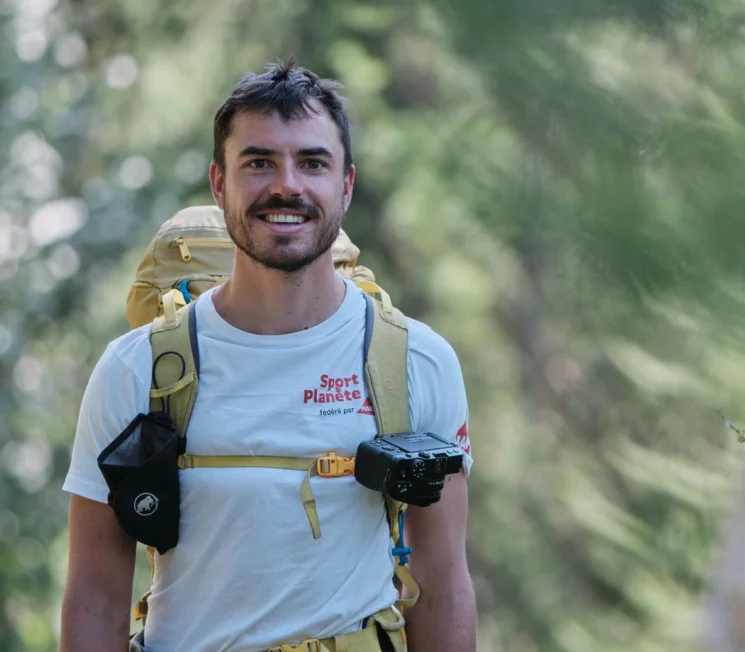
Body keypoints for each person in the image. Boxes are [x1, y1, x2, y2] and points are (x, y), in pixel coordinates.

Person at [58, 60, 477, 652]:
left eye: (312, 163)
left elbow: (442, 587)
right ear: (219, 183)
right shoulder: (134, 369)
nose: (287, 186)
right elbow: (95, 595)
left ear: (346, 185)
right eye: (258, 162)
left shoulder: (416, 361)